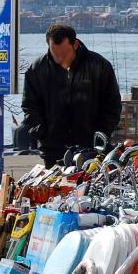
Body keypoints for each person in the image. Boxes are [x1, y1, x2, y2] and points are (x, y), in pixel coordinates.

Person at [21, 24, 122, 167]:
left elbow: (113, 105)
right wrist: (42, 132)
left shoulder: (100, 65)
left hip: (91, 149)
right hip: (53, 150)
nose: (59, 59)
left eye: (64, 54)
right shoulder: (37, 69)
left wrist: (101, 133)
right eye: (55, 54)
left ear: (75, 44)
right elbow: (29, 106)